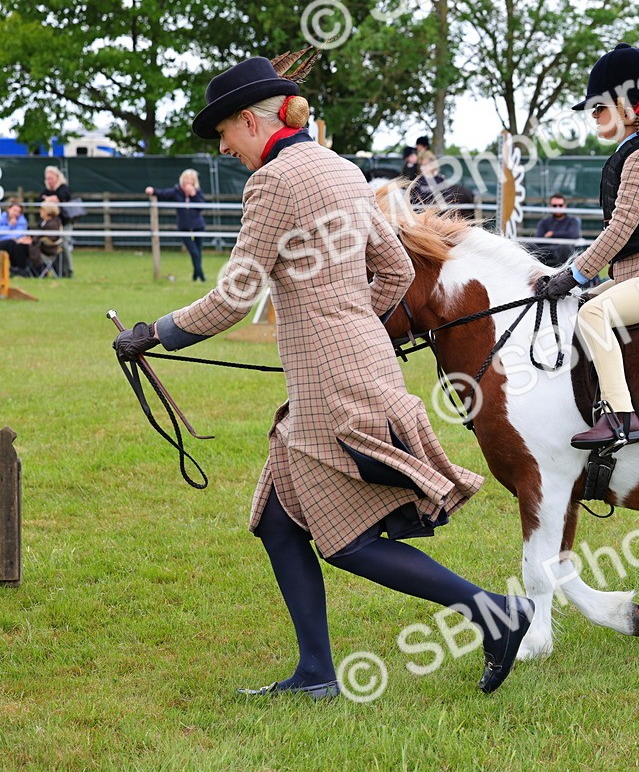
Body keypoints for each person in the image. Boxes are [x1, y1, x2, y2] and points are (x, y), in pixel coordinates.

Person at [112, 53, 533, 700]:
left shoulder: (273, 183)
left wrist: (153, 333)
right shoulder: (344, 170)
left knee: (348, 541)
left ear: (251, 121)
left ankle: (493, 613)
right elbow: (393, 272)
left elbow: (234, 295)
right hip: (351, 366)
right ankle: (316, 675)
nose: (223, 146)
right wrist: (344, 321)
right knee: (278, 525)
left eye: (224, 132)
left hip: (331, 383)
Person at [543, 42, 639, 451]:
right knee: (576, 306)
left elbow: (620, 229)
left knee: (593, 314)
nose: (594, 116)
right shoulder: (629, 153)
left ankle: (620, 417)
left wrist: (575, 273)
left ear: (630, 106)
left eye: (600, 107)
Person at [146, 169, 208, 281]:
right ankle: (202, 276)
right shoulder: (176, 191)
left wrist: (193, 194)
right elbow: (163, 194)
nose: (188, 181)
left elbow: (201, 206)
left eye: (191, 179)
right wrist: (153, 190)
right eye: (186, 178)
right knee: (194, 252)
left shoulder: (197, 192)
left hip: (198, 225)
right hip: (184, 226)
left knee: (198, 252)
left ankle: (195, 275)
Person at [39, 166, 75, 277]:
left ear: (57, 177)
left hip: (65, 223)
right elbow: (40, 198)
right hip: (52, 225)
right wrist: (50, 199)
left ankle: (69, 271)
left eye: (51, 178)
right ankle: (58, 271)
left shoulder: (64, 188)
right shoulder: (47, 190)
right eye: (47, 178)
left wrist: (51, 199)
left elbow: (62, 197)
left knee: (64, 245)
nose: (49, 181)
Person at [532, 193, 582, 265]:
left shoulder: (572, 221)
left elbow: (573, 235)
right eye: (554, 206)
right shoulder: (544, 222)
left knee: (564, 248)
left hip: (566, 250)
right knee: (530, 247)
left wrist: (552, 234)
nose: (558, 208)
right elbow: (539, 239)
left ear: (565, 206)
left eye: (560, 205)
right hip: (547, 250)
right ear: (550, 207)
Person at [0, 200, 34, 272]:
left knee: (20, 246)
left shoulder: (22, 220)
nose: (16, 213)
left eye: (18, 212)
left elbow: (20, 233)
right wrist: (10, 225)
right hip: (3, 242)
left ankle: (19, 269)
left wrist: (14, 237)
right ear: (8, 209)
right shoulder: (2, 218)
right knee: (12, 243)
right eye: (14, 210)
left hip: (14, 243)